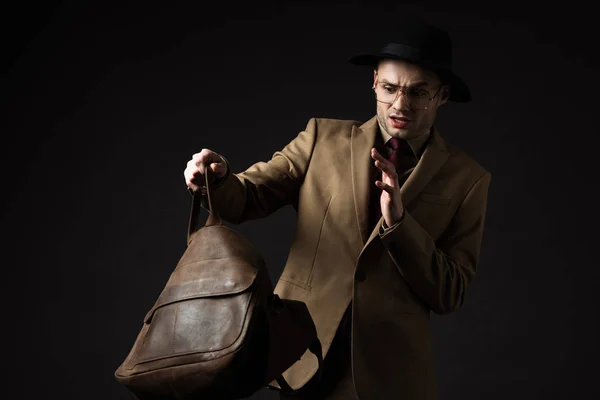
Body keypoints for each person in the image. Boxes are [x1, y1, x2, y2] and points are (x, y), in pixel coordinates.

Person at [183, 19, 491, 400]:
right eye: (389, 88)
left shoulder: (467, 179)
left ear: (442, 96)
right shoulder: (320, 139)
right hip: (303, 358)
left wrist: (399, 224)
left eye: (418, 93)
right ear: (374, 80)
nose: (400, 104)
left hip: (392, 378)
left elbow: (451, 292)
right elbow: (249, 196)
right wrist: (218, 177)